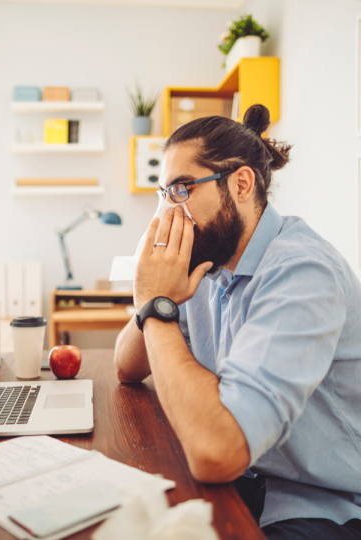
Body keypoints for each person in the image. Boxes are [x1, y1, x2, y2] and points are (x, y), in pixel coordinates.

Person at [113, 103, 361, 540]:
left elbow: (217, 451)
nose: (168, 213)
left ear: (242, 183)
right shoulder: (208, 264)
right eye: (164, 195)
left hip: (321, 502)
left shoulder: (303, 273)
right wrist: (153, 297)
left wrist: (156, 304)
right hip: (242, 478)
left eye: (182, 189)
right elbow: (126, 367)